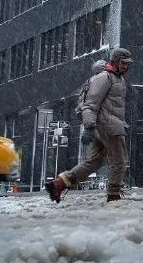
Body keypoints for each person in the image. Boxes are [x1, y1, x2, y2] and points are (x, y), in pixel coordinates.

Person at [46, 48, 132, 203]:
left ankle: (59, 184)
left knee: (93, 162)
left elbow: (112, 106)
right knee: (120, 160)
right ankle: (113, 195)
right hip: (108, 127)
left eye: (127, 64)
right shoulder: (105, 77)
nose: (125, 66)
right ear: (115, 61)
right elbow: (91, 104)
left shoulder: (116, 78)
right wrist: (89, 127)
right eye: (123, 63)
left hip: (103, 127)